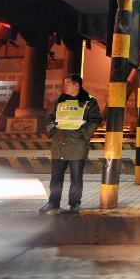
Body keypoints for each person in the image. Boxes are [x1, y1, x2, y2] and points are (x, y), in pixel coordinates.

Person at [39, 73, 102, 215]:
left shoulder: (89, 102)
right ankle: (53, 203)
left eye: (68, 84)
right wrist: (52, 129)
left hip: (77, 145)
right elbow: (50, 117)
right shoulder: (60, 101)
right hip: (59, 144)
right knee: (55, 178)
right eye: (65, 83)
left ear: (77, 85)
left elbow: (95, 120)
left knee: (76, 178)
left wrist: (82, 134)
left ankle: (74, 205)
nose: (65, 86)